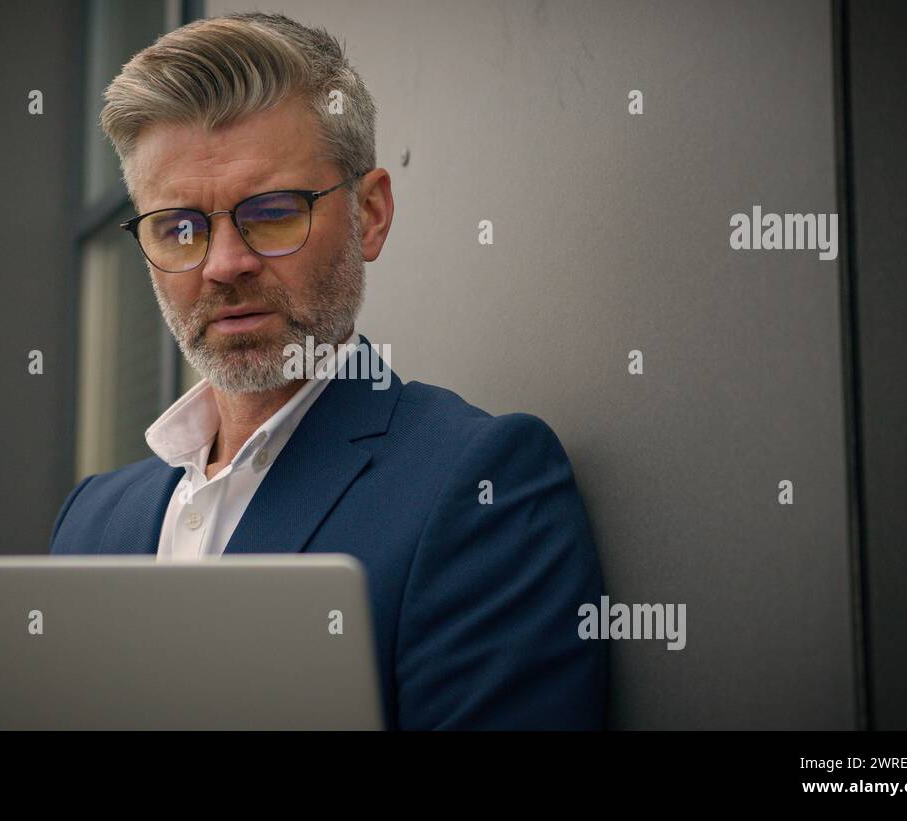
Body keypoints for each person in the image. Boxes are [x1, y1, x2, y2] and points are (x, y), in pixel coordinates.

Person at [50, 11, 605, 730]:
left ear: (370, 213)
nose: (223, 265)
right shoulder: (91, 520)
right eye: (179, 226)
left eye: (274, 213)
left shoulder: (481, 488)